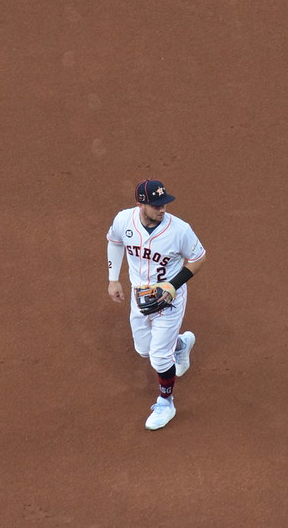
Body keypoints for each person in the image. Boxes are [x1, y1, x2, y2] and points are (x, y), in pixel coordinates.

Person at [106, 179, 207, 430]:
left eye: (164, 204)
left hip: (170, 300)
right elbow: (115, 241)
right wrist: (113, 279)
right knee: (145, 350)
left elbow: (199, 257)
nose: (162, 209)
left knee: (160, 358)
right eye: (156, 205)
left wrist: (173, 285)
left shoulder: (180, 230)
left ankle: (166, 402)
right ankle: (181, 344)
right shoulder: (123, 220)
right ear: (140, 204)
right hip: (139, 297)